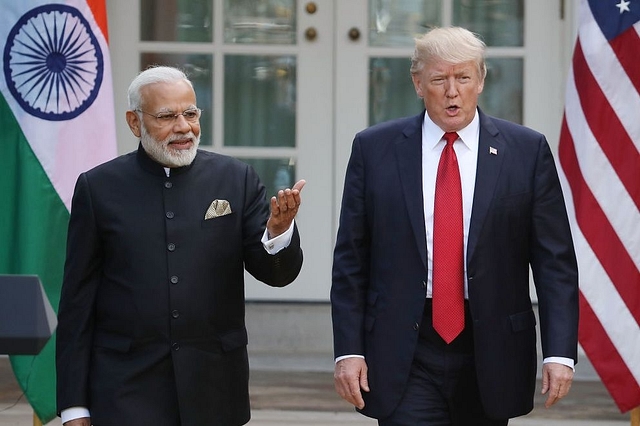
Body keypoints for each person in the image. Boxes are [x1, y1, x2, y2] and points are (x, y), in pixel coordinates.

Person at [331, 26, 578, 425]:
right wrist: (348, 350)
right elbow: (351, 262)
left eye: (463, 77)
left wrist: (559, 352)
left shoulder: (526, 151)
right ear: (417, 82)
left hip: (492, 347)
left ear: (480, 80)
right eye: (439, 79)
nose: (452, 91)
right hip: (403, 348)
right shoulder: (374, 149)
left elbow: (555, 265)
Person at [56, 66, 305, 426]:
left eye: (190, 113)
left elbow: (276, 276)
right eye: (167, 116)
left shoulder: (236, 179)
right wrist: (75, 406)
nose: (184, 127)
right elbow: (77, 304)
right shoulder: (98, 189)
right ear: (134, 122)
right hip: (125, 388)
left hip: (215, 386)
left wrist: (279, 232)